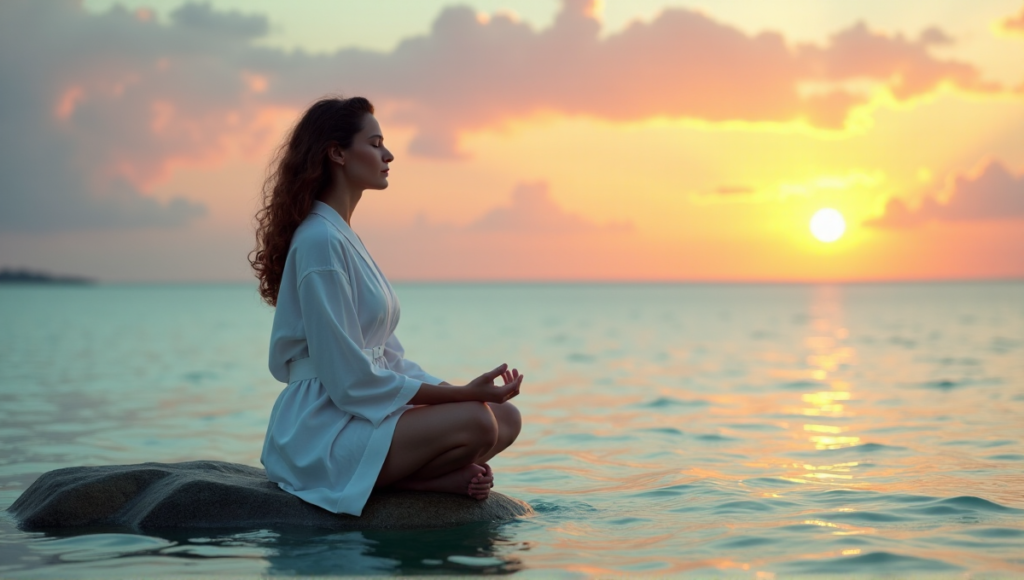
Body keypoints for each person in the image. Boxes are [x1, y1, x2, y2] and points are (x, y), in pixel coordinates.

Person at [249, 96, 523, 517]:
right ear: (338, 153)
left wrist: (459, 391)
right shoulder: (320, 242)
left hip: (354, 408)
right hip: (321, 425)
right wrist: (465, 398)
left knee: (505, 417)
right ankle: (409, 480)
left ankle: (406, 478)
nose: (388, 154)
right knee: (477, 421)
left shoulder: (341, 236)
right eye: (375, 143)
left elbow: (389, 358)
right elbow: (349, 379)